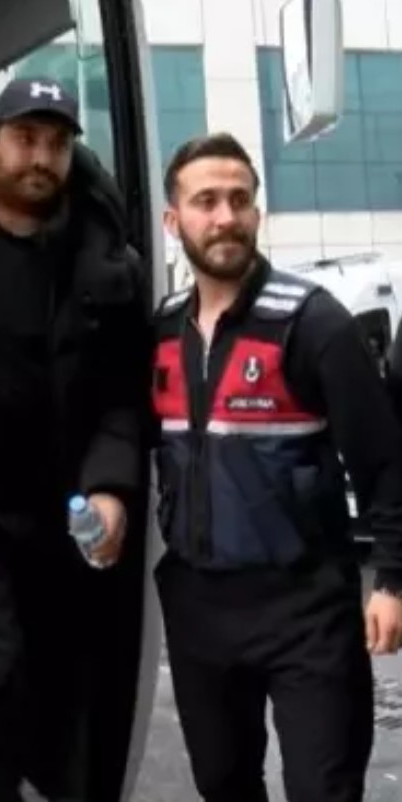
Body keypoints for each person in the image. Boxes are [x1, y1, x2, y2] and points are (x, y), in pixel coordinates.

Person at [152, 132, 402, 802]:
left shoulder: (313, 322)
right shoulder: (161, 333)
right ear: (173, 220)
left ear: (257, 213)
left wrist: (391, 580)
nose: (225, 216)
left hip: (306, 609)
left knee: (323, 788)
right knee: (223, 785)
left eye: (239, 200)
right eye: (206, 201)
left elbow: (382, 461)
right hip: (200, 608)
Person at [0, 77, 149, 802]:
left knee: (65, 682)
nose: (40, 157)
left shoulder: (103, 264)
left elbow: (122, 396)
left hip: (60, 506)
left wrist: (110, 490)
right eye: (24, 139)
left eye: (55, 144)